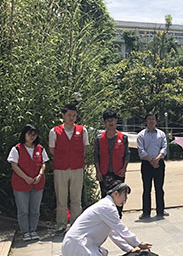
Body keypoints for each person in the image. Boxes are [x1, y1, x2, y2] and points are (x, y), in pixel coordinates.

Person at [52, 182, 152, 256]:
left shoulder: (106, 206)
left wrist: (130, 249)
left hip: (81, 244)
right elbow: (121, 229)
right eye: (124, 195)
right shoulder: (107, 207)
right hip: (79, 244)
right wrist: (138, 244)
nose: (125, 199)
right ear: (115, 193)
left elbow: (114, 234)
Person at [49, 103, 88, 232]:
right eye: (69, 115)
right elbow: (52, 149)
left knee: (76, 199)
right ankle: (61, 224)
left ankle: (76, 225)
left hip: (77, 168)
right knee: (61, 199)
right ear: (63, 116)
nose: (72, 118)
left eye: (74, 115)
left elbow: (85, 147)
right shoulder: (54, 131)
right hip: (61, 169)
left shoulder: (82, 130)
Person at [7, 124, 49, 241]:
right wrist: (25, 177)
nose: (32, 136)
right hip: (21, 183)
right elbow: (14, 165)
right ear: (24, 135)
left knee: (35, 209)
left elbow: (43, 163)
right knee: (23, 210)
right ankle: (25, 231)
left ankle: (33, 230)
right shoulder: (16, 149)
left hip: (37, 183)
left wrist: (40, 174)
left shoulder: (40, 148)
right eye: (29, 134)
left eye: (34, 134)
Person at [94, 109, 129, 218]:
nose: (110, 123)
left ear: (116, 121)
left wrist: (124, 169)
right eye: (108, 121)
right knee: (106, 197)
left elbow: (126, 155)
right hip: (104, 173)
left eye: (112, 120)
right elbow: (96, 156)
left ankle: (118, 217)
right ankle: (106, 218)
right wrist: (98, 172)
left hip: (118, 172)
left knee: (120, 196)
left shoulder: (123, 138)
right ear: (104, 122)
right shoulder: (99, 138)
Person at [137, 112, 168, 219]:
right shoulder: (141, 135)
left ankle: (161, 210)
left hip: (159, 163)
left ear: (156, 121)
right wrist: (151, 160)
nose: (151, 121)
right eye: (149, 119)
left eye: (153, 119)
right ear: (146, 121)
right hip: (146, 164)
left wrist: (157, 159)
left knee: (159, 188)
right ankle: (146, 212)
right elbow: (141, 150)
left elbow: (164, 148)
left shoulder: (161, 134)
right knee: (147, 188)